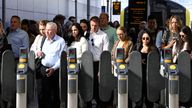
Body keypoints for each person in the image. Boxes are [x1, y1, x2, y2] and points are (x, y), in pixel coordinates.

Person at [37, 22, 67, 108]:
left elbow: (62, 58)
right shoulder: (43, 39)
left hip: (55, 70)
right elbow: (37, 50)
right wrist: (38, 53)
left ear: (55, 31)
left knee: (56, 93)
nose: (47, 32)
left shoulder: (61, 41)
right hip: (44, 68)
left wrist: (53, 68)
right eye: (46, 30)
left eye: (49, 30)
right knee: (45, 92)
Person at [88, 16, 109, 108]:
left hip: (98, 63)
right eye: (92, 25)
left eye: (95, 25)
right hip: (88, 63)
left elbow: (105, 52)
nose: (93, 27)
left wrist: (102, 67)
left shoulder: (104, 35)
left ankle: (99, 104)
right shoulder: (87, 34)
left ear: (99, 24)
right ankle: (88, 103)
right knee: (88, 84)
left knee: (98, 84)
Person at [133, 29, 158, 108]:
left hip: (150, 76)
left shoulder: (154, 48)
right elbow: (132, 58)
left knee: (149, 98)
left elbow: (157, 62)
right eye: (143, 38)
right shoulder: (137, 47)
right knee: (138, 99)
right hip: (139, 75)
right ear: (141, 38)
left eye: (147, 38)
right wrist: (138, 60)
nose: (145, 40)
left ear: (150, 39)